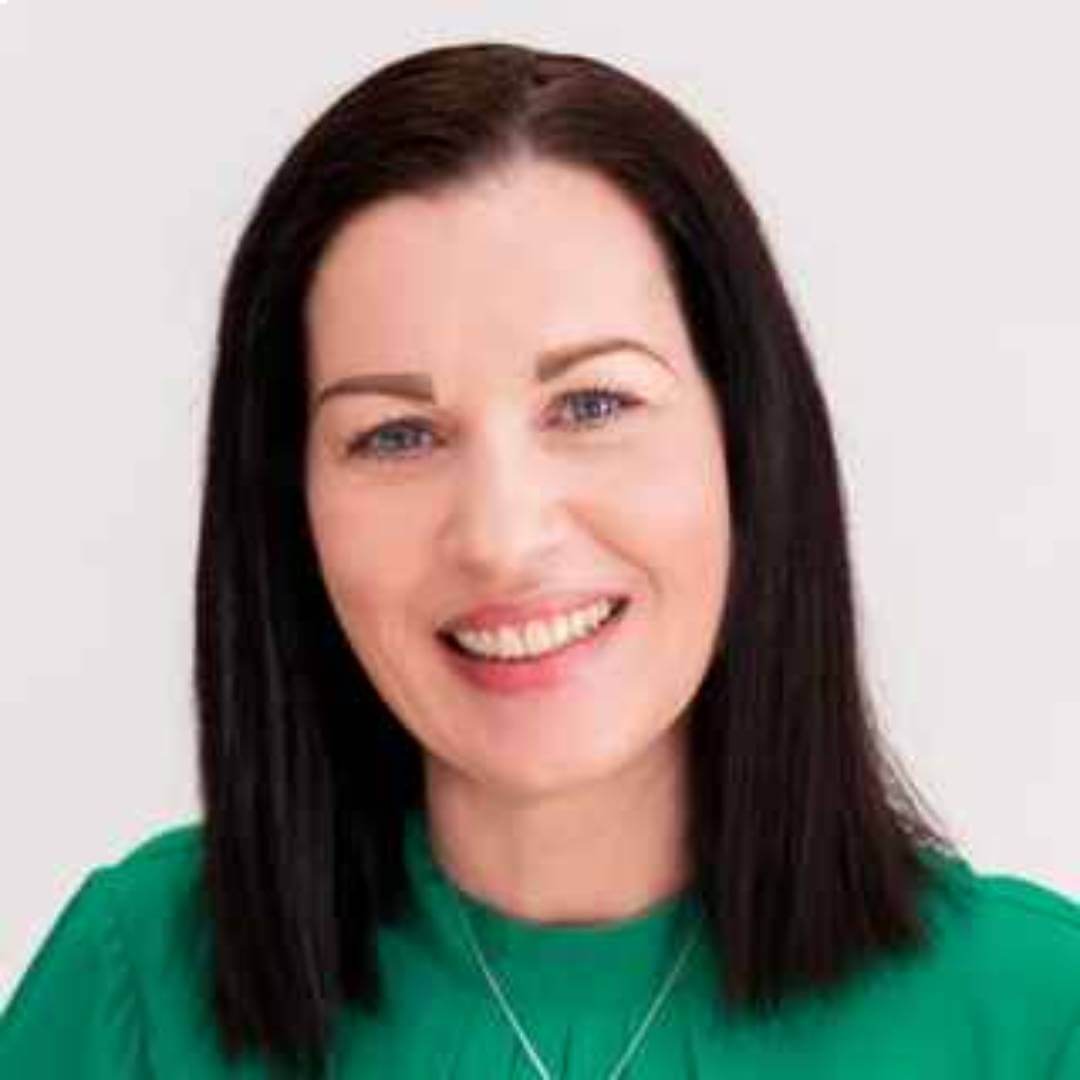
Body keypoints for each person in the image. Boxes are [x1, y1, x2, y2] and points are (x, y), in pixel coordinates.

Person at [2, 40, 1078, 1080]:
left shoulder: (1038, 1021)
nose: (501, 537)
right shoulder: (135, 991)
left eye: (593, 403)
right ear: (292, 508)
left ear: (749, 446)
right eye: (395, 434)